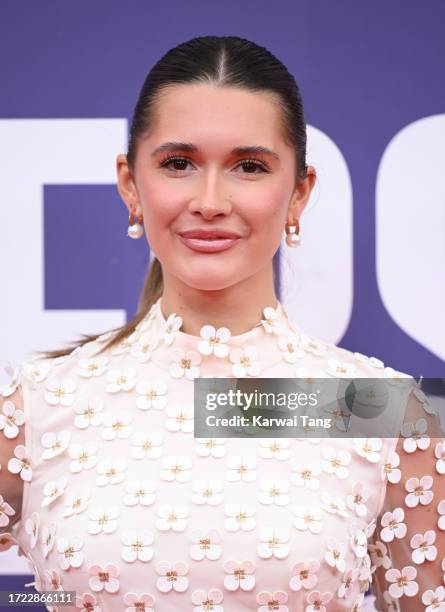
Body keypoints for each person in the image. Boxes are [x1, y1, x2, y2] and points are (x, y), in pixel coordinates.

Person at [1, 35, 444, 612]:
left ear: (299, 193)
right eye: (178, 164)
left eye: (249, 166)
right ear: (131, 183)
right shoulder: (36, 407)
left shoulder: (379, 410)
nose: (210, 200)